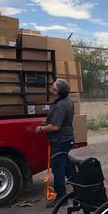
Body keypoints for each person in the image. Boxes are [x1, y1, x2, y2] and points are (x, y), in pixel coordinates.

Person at [35, 79, 74, 207]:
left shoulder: (61, 105)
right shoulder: (65, 102)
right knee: (66, 165)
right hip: (64, 139)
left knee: (58, 168)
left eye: (53, 86)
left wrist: (41, 129)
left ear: (57, 92)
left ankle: (61, 197)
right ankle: (80, 187)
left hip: (60, 140)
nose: (51, 88)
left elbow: (56, 126)